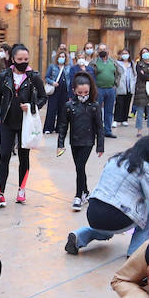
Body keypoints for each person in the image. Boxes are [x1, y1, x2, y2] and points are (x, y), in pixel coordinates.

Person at [65, 135, 149, 256]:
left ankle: (79, 235)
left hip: (93, 213)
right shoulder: (146, 169)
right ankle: (135, 254)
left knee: (106, 230)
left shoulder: (116, 159)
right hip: (116, 216)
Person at [0, 43, 46, 207]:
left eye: (26, 59)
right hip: (6, 122)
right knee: (4, 155)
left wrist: (32, 107)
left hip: (25, 123)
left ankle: (21, 190)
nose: (23, 62)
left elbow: (43, 97)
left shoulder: (34, 76)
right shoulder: (4, 76)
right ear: (12, 59)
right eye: (20, 59)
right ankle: (0, 193)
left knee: (23, 156)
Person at [56, 71, 104, 209]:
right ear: (74, 91)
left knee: (80, 167)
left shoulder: (94, 106)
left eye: (86, 92)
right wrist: (60, 144)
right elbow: (63, 126)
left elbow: (99, 127)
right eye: (80, 92)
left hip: (88, 142)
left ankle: (78, 196)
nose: (83, 95)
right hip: (74, 141)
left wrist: (100, 146)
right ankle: (86, 192)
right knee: (80, 168)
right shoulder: (69, 106)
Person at [131, 49, 149, 136]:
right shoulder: (139, 64)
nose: (145, 54)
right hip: (141, 90)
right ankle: (139, 130)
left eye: (146, 52)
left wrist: (148, 75)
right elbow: (141, 75)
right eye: (143, 53)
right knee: (140, 111)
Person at [92, 47, 118, 137]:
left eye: (104, 49)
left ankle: (108, 130)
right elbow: (91, 75)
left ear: (108, 51)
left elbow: (118, 73)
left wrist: (116, 84)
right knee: (97, 110)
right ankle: (97, 130)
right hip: (99, 89)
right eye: (100, 49)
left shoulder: (113, 62)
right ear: (98, 51)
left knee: (109, 111)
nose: (103, 51)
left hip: (111, 89)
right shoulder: (94, 62)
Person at [43, 49, 70, 133]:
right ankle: (48, 128)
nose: (61, 58)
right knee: (51, 109)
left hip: (64, 91)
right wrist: (52, 82)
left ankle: (59, 128)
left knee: (62, 110)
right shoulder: (52, 66)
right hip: (54, 90)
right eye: (60, 57)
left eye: (63, 57)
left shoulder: (68, 67)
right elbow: (46, 77)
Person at [114, 49, 135, 127]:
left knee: (127, 103)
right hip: (121, 85)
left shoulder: (132, 64)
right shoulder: (117, 64)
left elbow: (134, 74)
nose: (125, 55)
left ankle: (124, 119)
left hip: (130, 86)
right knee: (119, 103)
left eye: (126, 53)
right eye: (123, 53)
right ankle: (116, 119)